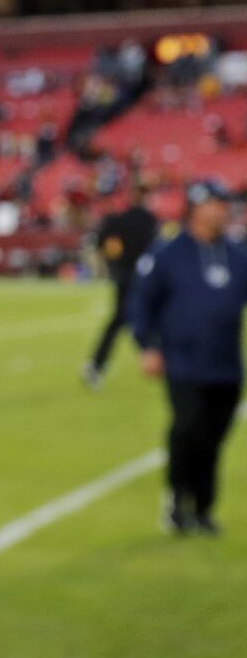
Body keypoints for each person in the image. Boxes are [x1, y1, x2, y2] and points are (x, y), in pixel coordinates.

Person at [129, 179, 244, 534]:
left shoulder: (237, 254)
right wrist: (147, 346)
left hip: (226, 364)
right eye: (215, 203)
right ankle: (178, 499)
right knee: (188, 428)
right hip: (182, 362)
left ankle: (205, 508)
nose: (222, 210)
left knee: (214, 437)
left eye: (225, 203)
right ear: (195, 208)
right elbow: (141, 303)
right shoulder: (167, 254)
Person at [82, 186, 158, 389]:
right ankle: (154, 356)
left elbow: (102, 243)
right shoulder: (147, 219)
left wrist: (114, 262)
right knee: (143, 320)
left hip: (123, 277)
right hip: (142, 279)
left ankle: (96, 364)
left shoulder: (119, 219)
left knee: (120, 321)